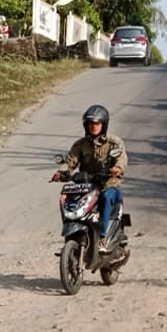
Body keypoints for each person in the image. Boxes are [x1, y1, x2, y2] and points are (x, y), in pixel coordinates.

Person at [55, 104, 128, 252]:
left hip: (109, 185)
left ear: (104, 125)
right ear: (85, 125)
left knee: (106, 198)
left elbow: (122, 158)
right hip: (87, 186)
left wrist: (117, 168)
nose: (93, 126)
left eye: (97, 123)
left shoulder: (114, 143)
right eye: (90, 123)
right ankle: (71, 236)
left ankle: (102, 238)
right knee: (67, 198)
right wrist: (61, 172)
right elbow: (70, 161)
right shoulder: (80, 145)